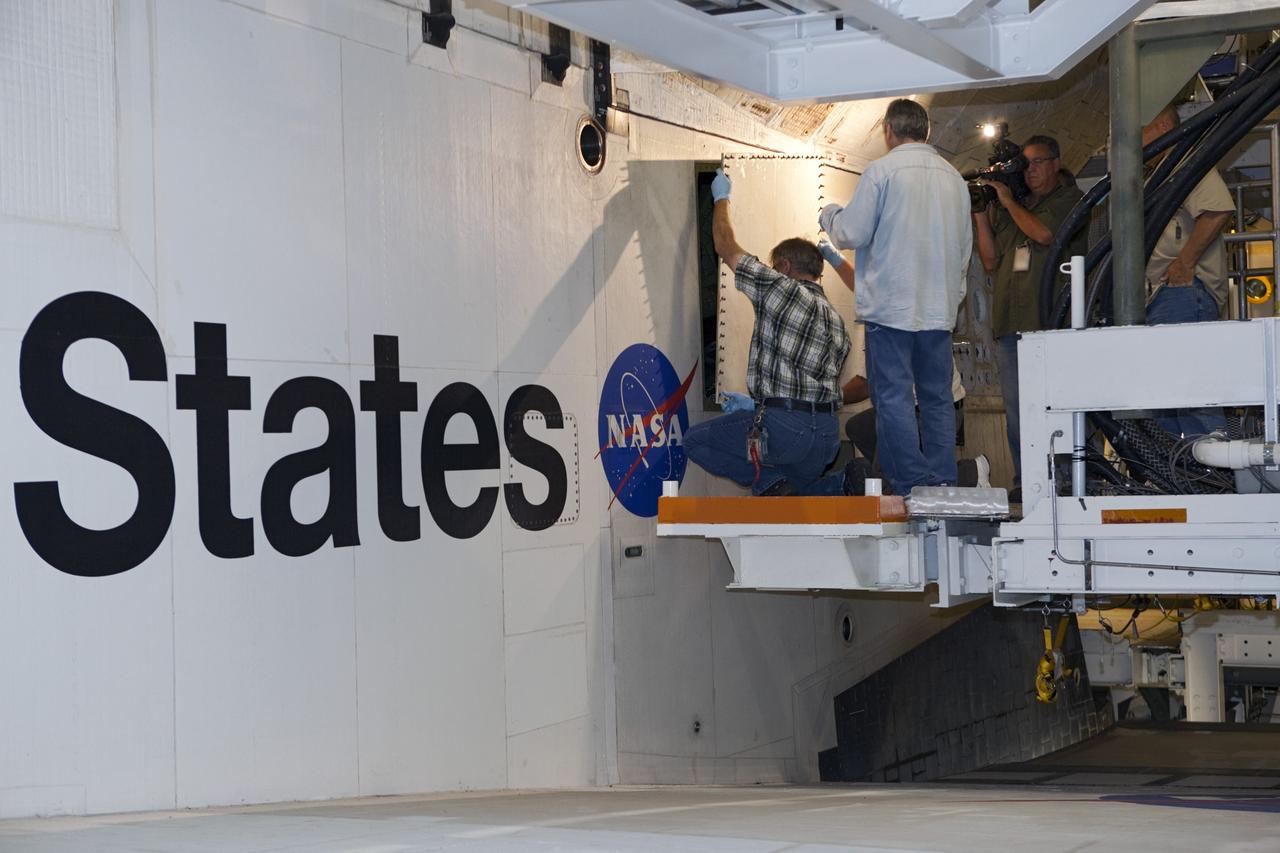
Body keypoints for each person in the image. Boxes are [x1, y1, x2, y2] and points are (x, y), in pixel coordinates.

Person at [818, 98, 972, 496]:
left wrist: (830, 215)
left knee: (895, 399)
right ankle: (942, 481)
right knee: (936, 399)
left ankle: (910, 484)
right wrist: (951, 300)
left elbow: (852, 232)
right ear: (927, 131)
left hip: (891, 311)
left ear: (888, 130)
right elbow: (963, 249)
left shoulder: (881, 171)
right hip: (937, 312)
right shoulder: (953, 178)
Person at [683, 168, 851, 496]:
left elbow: (725, 244)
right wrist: (759, 402)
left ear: (786, 267)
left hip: (785, 429)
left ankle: (770, 482)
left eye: (777, 267)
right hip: (826, 437)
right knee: (796, 493)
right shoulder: (837, 321)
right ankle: (839, 484)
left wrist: (721, 198)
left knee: (696, 442)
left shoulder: (779, 287)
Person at [972, 134, 1085, 501]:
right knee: (1018, 412)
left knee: (1059, 407)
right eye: (1026, 164)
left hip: (1052, 325)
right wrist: (980, 212)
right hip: (1011, 327)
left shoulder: (1069, 200)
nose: (1030, 171)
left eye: (1036, 163)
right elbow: (991, 261)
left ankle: (1066, 482)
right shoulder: (1012, 210)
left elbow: (1045, 233)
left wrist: (1006, 200)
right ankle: (1027, 481)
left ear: (1054, 163)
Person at [1143, 105, 1233, 438]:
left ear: (1163, 125)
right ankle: (1183, 479)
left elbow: (1217, 209)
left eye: (1141, 127)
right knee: (1168, 401)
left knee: (1194, 399)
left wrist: (1184, 263)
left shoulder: (1186, 165)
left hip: (1181, 293)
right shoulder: (1157, 175)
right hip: (1160, 296)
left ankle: (1210, 480)